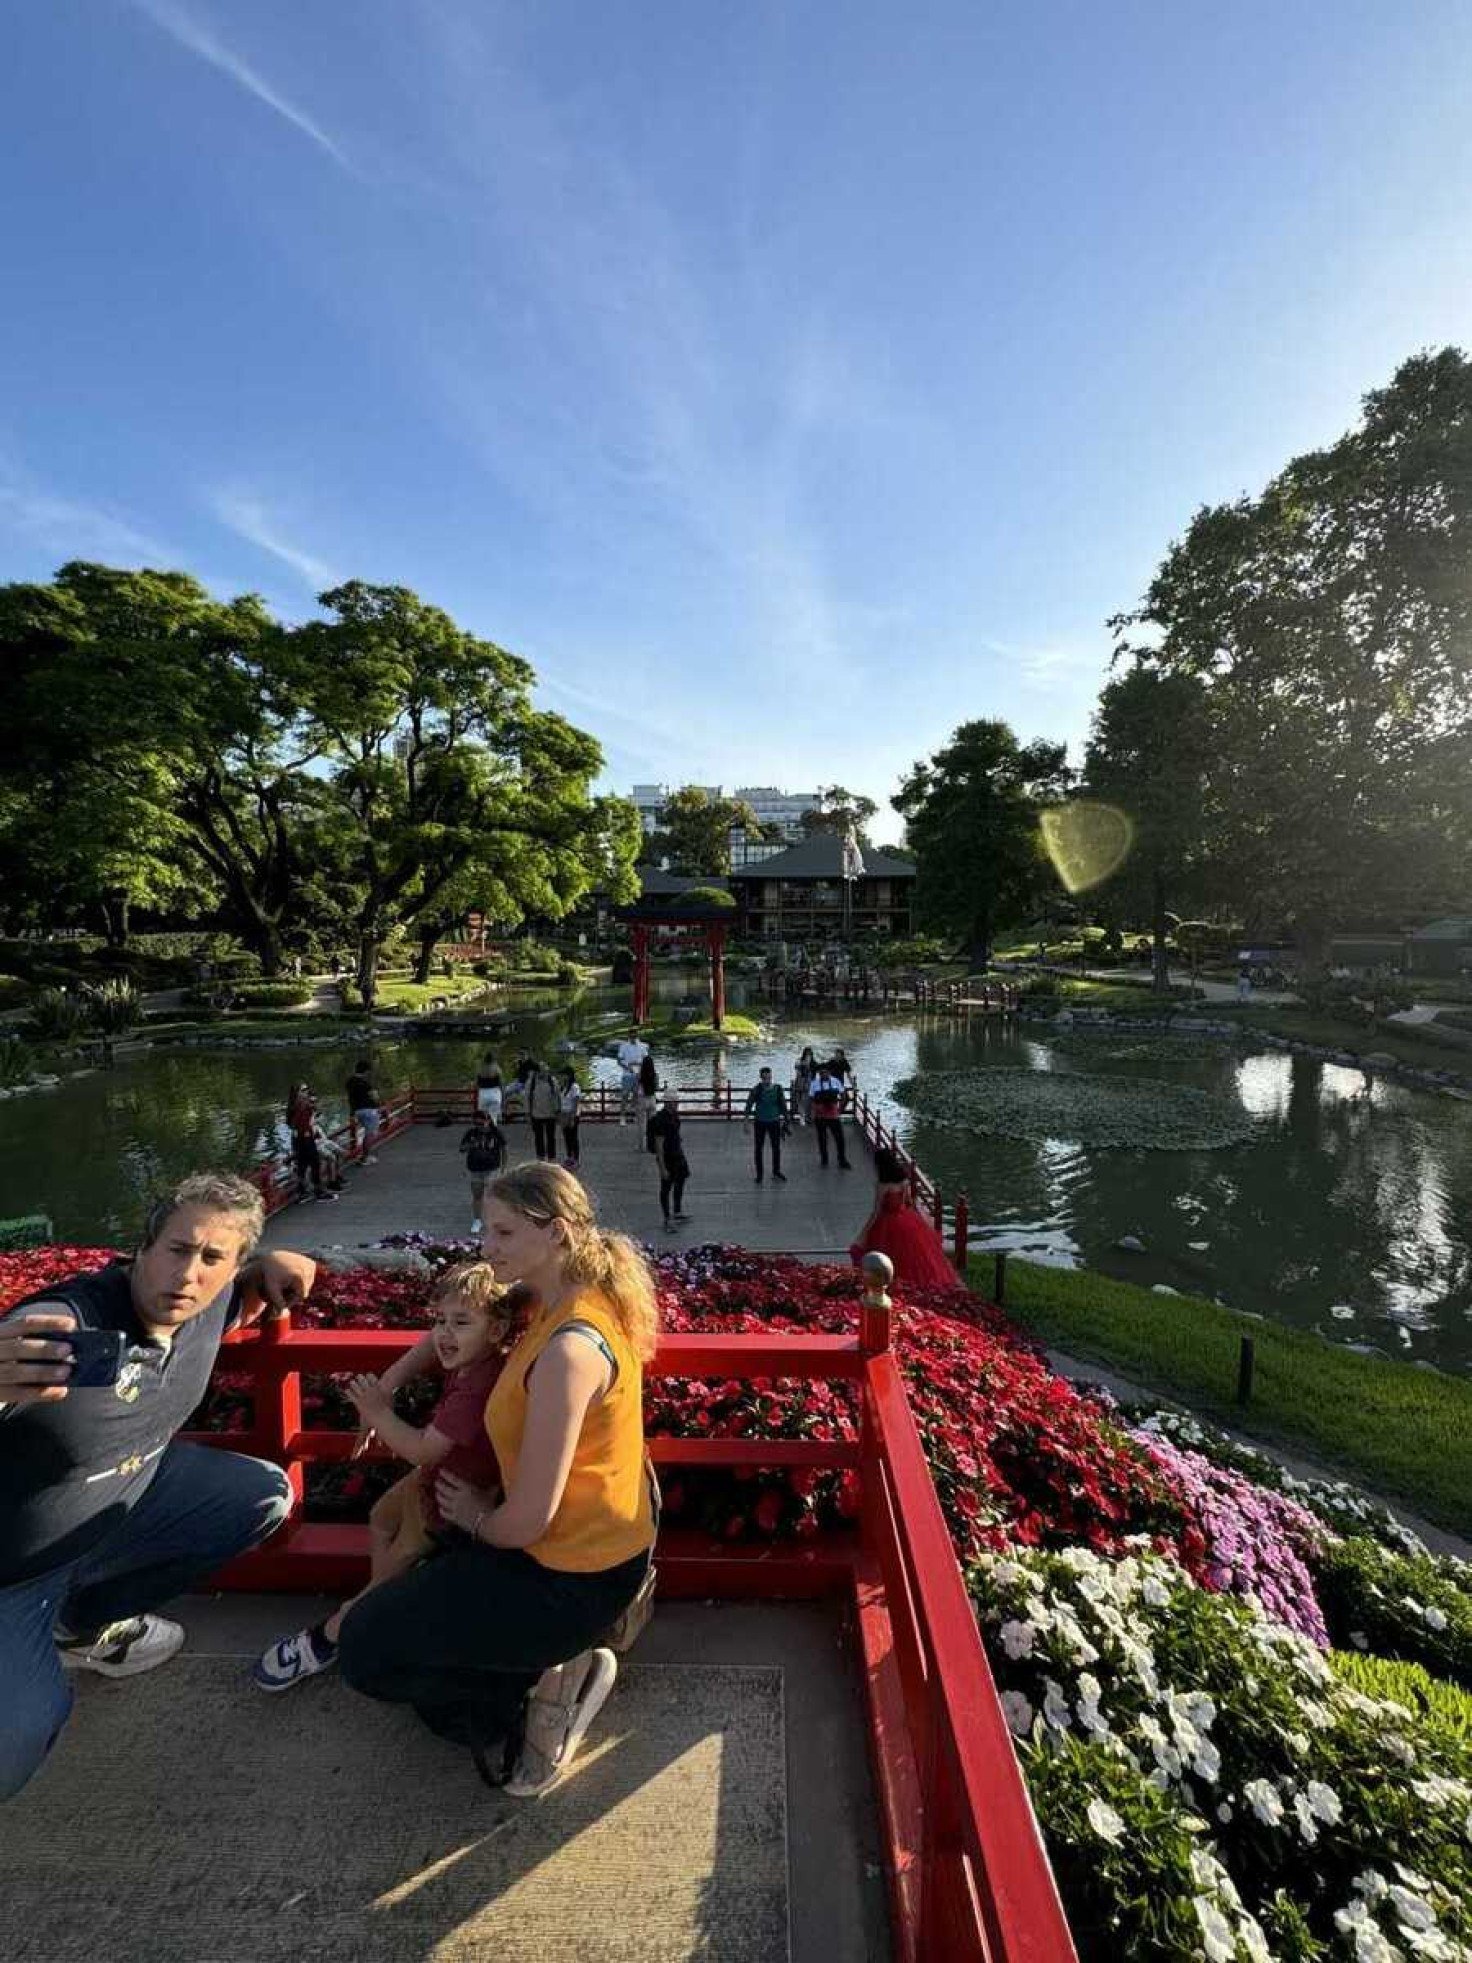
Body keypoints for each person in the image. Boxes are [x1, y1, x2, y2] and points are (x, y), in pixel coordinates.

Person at [337, 1164, 658, 1798]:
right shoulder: (557, 1296)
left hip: (568, 1577)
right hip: (581, 1549)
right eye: (486, 1229)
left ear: (557, 1232)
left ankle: (543, 1692)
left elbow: (528, 1520)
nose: (488, 1246)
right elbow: (450, 1330)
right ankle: (525, 1665)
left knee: (365, 1653)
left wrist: (478, 1518)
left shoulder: (569, 1350)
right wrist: (389, 1386)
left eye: (505, 1233)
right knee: (405, 1610)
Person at [0, 1175, 315, 1800]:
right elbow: (23, 1343)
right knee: (14, 1740)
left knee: (262, 1495)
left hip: (113, 1515)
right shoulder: (66, 1326)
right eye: (177, 1249)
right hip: (14, 1568)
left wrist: (277, 1265)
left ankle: (82, 1628)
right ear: (143, 1246)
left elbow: (243, 1287)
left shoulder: (209, 1305)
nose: (188, 1274)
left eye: (211, 1258)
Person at [253, 1263, 513, 1690]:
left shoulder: (476, 1389)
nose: (444, 1334)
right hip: (435, 1480)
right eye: (440, 1320)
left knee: (396, 1559)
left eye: (461, 1323)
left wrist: (377, 1411)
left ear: (498, 1329)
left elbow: (423, 1450)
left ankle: (333, 1634)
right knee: (379, 1519)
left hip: (447, 1499)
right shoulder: (476, 1357)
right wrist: (387, 1386)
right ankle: (381, 1600)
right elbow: (433, 1346)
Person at [848, 1148, 957, 1289]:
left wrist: (864, 1231)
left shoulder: (882, 1185)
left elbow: (876, 1212)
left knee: (887, 1253)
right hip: (905, 1218)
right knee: (915, 1254)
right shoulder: (904, 1181)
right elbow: (909, 1202)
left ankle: (889, 1280)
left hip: (887, 1222)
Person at [287, 1083, 337, 1202]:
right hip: (305, 1137)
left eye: (306, 1089)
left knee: (302, 1165)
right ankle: (318, 1192)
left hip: (299, 1138)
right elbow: (303, 1122)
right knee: (314, 1163)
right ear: (297, 1093)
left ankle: (302, 1192)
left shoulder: (293, 1106)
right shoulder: (302, 1105)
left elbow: (293, 1123)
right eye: (303, 1090)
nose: (306, 1092)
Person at [648, 1093, 690, 1231]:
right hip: (668, 1158)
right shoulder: (660, 1120)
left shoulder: (674, 1116)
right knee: (666, 1188)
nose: (677, 1104)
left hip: (678, 1154)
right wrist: (662, 1167)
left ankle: (677, 1211)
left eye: (677, 1101)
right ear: (667, 1103)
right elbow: (659, 1144)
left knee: (681, 1181)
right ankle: (667, 1218)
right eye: (674, 1101)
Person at [459, 1114, 507, 1233]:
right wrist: (471, 1145)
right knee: (477, 1195)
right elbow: (462, 1149)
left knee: (492, 1194)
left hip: (492, 1168)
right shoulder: (471, 1133)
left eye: (481, 1124)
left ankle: (494, 1219)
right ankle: (477, 1220)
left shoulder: (496, 1133)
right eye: (476, 1124)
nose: (479, 1127)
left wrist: (503, 1168)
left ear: (488, 1121)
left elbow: (504, 1150)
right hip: (475, 1168)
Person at [743, 1066, 788, 1184]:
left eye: (768, 1077)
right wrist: (746, 1121)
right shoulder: (756, 1089)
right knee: (758, 1149)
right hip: (760, 1122)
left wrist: (786, 1120)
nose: (767, 1080)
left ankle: (776, 1171)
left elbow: (783, 1105)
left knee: (776, 1148)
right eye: (764, 1078)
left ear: (771, 1076)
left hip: (774, 1122)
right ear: (761, 1078)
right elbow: (749, 1105)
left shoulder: (778, 1089)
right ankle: (759, 1174)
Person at [809, 1062, 852, 1169]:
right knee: (822, 1138)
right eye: (821, 1073)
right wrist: (814, 1111)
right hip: (820, 1115)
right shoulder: (814, 1084)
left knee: (839, 1138)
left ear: (829, 1072)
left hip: (833, 1114)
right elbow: (811, 1099)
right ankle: (824, 1159)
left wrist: (840, 1109)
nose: (823, 1075)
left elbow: (844, 1096)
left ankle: (842, 1159)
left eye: (825, 1072)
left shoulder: (835, 1081)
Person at [345, 1056, 382, 1165]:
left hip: (357, 1111)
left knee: (367, 1133)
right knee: (370, 1134)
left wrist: (352, 1113)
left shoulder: (350, 1082)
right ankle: (365, 1157)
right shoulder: (365, 1083)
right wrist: (378, 1103)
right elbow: (375, 1096)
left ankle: (364, 1156)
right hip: (369, 1110)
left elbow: (350, 1097)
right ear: (366, 1071)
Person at [526, 1060, 561, 1162]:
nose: (543, 1072)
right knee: (538, 1138)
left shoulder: (552, 1081)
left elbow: (558, 1096)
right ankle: (540, 1158)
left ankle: (551, 1158)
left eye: (545, 1070)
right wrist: (528, 1113)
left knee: (551, 1138)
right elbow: (527, 1098)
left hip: (551, 1114)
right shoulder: (531, 1082)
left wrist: (558, 1111)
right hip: (536, 1114)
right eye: (541, 1070)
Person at [615, 1028, 649, 1125]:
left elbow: (646, 1060)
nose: (633, 1037)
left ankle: (633, 1116)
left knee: (636, 1096)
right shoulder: (623, 1046)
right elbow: (619, 1061)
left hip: (638, 1075)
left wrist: (641, 1067)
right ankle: (622, 1117)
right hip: (627, 1075)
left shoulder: (642, 1046)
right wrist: (628, 1067)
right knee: (625, 1096)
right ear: (629, 1036)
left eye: (635, 1035)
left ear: (637, 1035)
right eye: (631, 1036)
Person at [558, 1067, 583, 1169]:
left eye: (564, 1075)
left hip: (572, 1113)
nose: (562, 1077)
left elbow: (576, 1102)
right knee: (566, 1136)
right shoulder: (563, 1087)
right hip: (564, 1113)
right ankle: (569, 1157)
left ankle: (576, 1159)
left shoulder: (574, 1087)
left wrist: (573, 1116)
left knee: (573, 1137)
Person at [635, 1050, 659, 1149]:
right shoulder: (655, 1075)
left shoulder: (640, 1075)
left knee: (642, 1125)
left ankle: (642, 1145)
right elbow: (657, 1087)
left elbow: (637, 1088)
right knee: (652, 1124)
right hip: (652, 1099)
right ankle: (652, 1144)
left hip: (642, 1099)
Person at [793, 1045, 818, 1126]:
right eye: (807, 1054)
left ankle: (807, 1117)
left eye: (810, 1054)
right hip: (800, 1083)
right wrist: (804, 1065)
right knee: (799, 1101)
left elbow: (815, 1074)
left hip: (809, 1084)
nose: (808, 1055)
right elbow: (797, 1070)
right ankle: (802, 1117)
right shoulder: (799, 1061)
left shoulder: (814, 1063)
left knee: (807, 1101)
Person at [474, 1057, 504, 1123]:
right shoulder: (496, 1069)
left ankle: (487, 1121)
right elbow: (500, 1083)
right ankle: (493, 1121)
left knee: (485, 1112)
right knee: (494, 1114)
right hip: (494, 1092)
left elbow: (477, 1084)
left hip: (483, 1092)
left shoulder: (481, 1069)